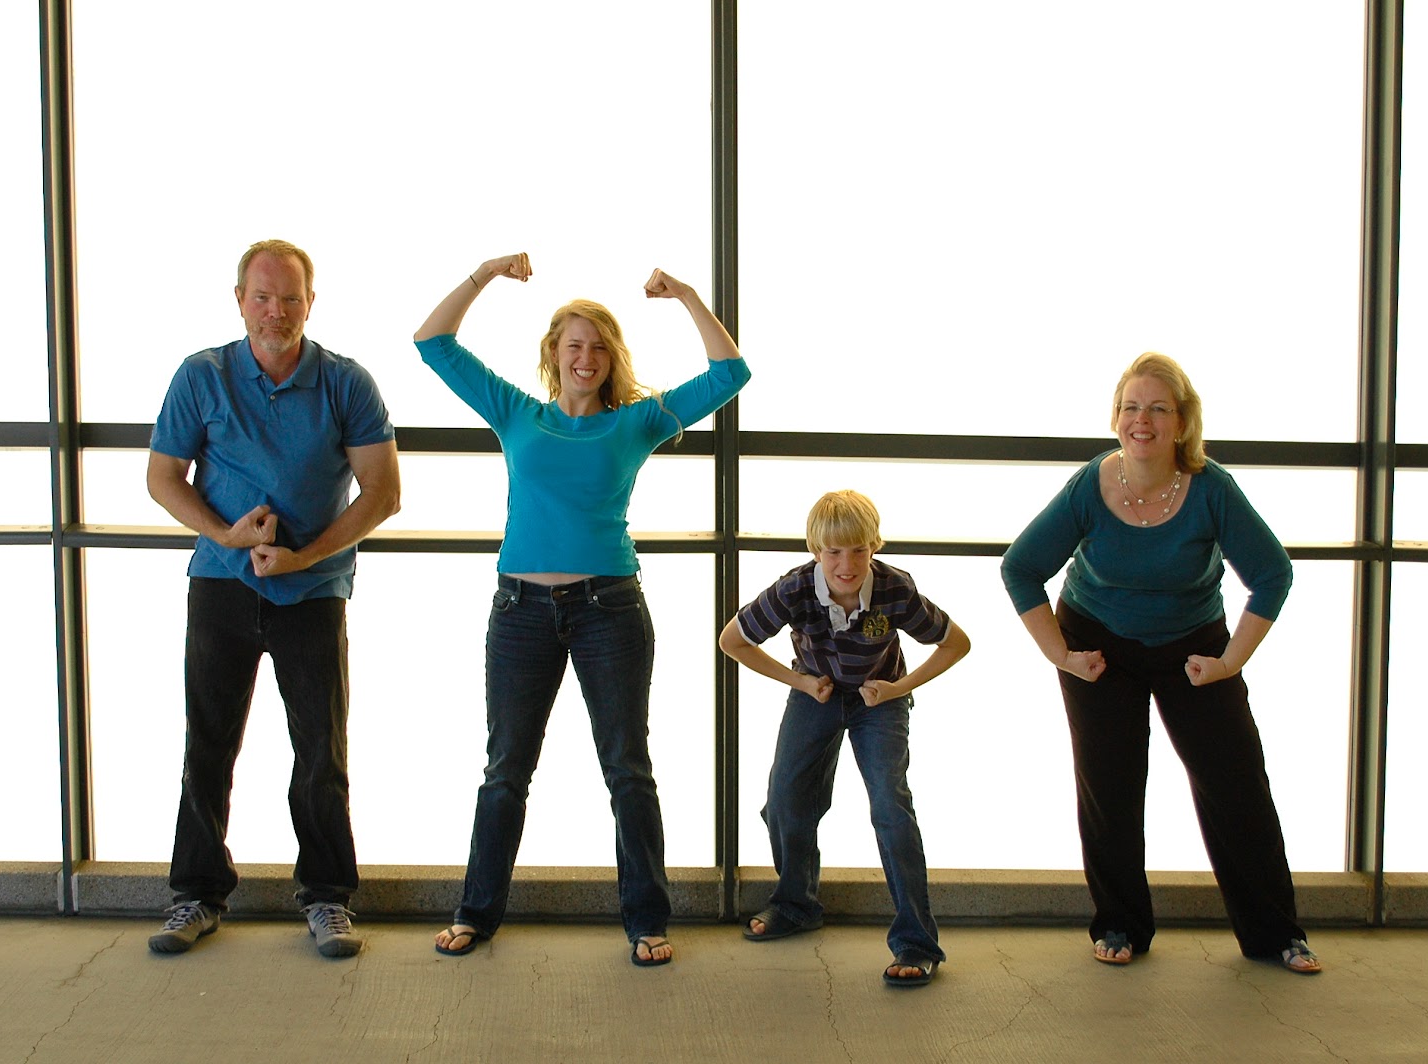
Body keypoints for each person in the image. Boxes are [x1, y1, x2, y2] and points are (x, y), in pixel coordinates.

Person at [413, 252, 749, 968]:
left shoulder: (637, 423)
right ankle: (475, 913)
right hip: (519, 611)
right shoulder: (515, 412)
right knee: (505, 770)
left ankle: (647, 921)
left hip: (609, 610)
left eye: (598, 346)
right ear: (554, 353)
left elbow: (730, 374)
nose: (585, 357)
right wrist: (485, 274)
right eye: (573, 344)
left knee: (628, 768)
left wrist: (687, 295)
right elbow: (432, 343)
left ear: (611, 358)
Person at [999, 352, 1320, 974]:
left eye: (1157, 408)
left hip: (1193, 645)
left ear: (1181, 422)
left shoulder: (1210, 488)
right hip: (1098, 644)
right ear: (1115, 417)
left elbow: (1273, 574)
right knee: (1110, 786)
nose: (1141, 420)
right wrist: (1061, 655)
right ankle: (1120, 924)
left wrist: (1229, 662)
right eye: (1130, 407)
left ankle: (1276, 934)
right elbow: (1021, 567)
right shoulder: (1091, 484)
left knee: (1236, 785)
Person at [145, 239, 401, 958]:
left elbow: (384, 493)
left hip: (313, 592)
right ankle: (196, 895)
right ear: (240, 301)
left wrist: (304, 556)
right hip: (220, 586)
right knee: (208, 743)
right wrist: (227, 535)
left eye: (290, 298)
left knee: (320, 751)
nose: (275, 311)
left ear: (310, 303)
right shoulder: (201, 375)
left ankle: (326, 898)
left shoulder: (347, 383)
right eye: (262, 297)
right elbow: (163, 478)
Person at [719, 489, 971, 987]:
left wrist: (899, 687)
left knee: (890, 807)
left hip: (880, 701)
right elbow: (733, 641)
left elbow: (956, 643)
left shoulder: (895, 589)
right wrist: (800, 682)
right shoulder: (794, 589)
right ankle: (796, 903)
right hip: (816, 694)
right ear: (816, 550)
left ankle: (916, 942)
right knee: (785, 799)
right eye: (834, 552)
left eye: (859, 550)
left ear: (875, 545)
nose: (847, 564)